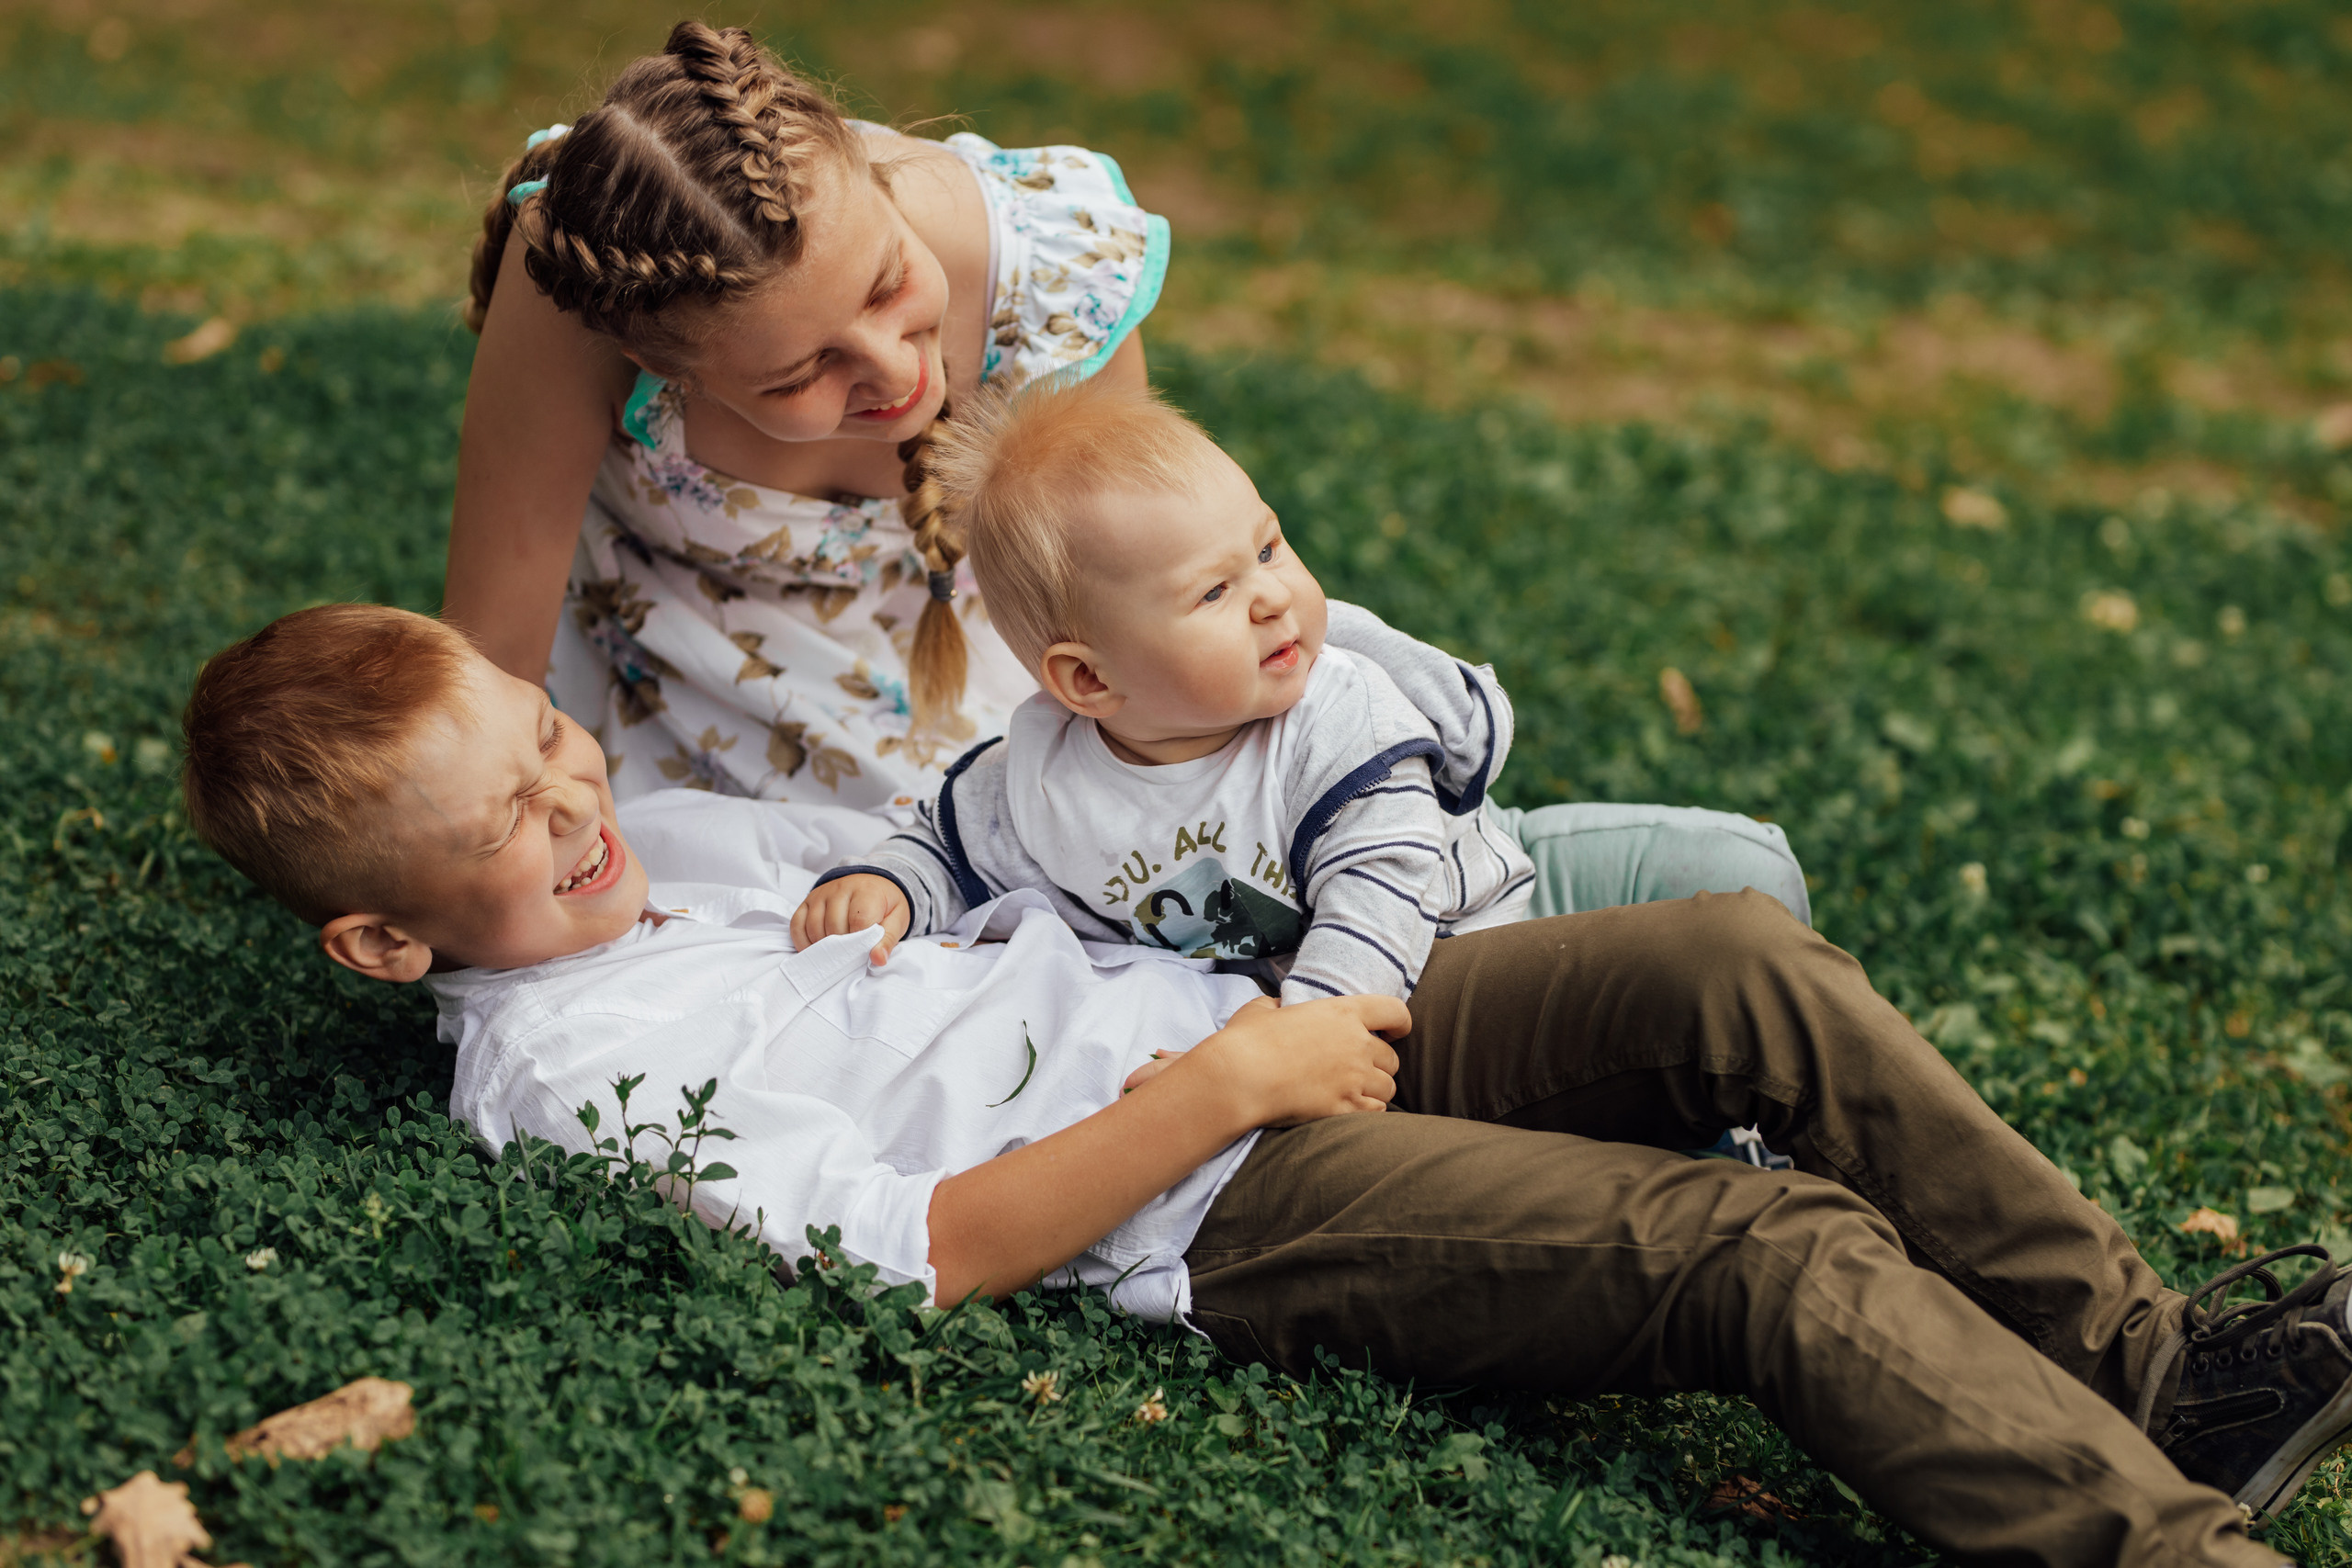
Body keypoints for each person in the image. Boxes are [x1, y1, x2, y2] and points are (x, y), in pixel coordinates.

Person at [181, 600, 2352, 1568]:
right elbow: (925, 1247)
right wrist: (1229, 1077)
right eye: (502, 815)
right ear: (385, 938)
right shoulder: (558, 1070)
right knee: (1750, 1239)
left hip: (1266, 1017)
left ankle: (2144, 1362)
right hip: (1203, 1194)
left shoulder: (661, 854)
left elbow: (907, 837)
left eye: (545, 738)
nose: (573, 793)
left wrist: (890, 888)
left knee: (1733, 967)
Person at [442, 20, 1807, 925]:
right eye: (799, 376)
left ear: (873, 173)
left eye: (888, 284)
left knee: (1128, 824)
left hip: (1032, 648)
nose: (892, 371)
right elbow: (492, 648)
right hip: (702, 695)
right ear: (667, 361)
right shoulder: (587, 277)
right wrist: (486, 865)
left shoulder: (1044, 254)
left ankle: (1448, 884)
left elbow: (1144, 594)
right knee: (928, 925)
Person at [790, 375, 1532, 1000]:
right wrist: (888, 883)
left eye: (1268, 548)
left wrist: (1304, 1033)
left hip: (1458, 948)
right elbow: (955, 845)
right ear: (1089, 679)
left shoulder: (1342, 717)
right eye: (1213, 592)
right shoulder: (1052, 778)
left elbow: (1379, 894)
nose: (1272, 597)